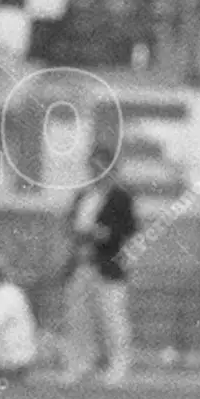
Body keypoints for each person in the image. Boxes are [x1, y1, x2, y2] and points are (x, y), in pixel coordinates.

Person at [60, 145, 138, 386]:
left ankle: (119, 366)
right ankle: (79, 365)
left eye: (102, 166)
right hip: (82, 264)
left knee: (113, 319)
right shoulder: (83, 196)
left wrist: (102, 234)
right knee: (78, 318)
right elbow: (71, 226)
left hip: (108, 266)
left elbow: (127, 229)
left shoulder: (120, 197)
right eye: (93, 166)